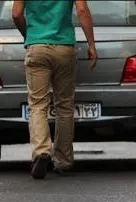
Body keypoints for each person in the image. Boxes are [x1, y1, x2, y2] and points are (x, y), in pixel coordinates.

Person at [12, 0, 98, 179]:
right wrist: (91, 44)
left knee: (37, 104)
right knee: (65, 106)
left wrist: (29, 35)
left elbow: (16, 14)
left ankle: (42, 152)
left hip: (37, 46)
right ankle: (64, 160)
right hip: (64, 47)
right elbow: (82, 10)